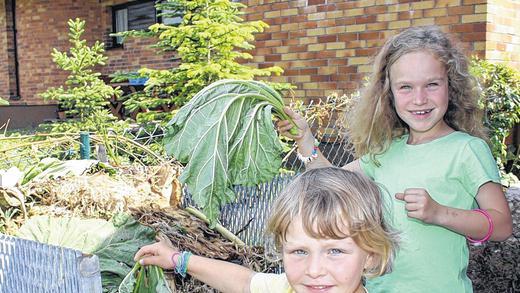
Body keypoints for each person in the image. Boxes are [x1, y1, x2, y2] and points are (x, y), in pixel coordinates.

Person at [278, 25, 513, 292]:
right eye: (405, 87)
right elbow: (333, 184)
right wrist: (305, 139)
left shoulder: (466, 149)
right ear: (388, 93)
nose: (419, 98)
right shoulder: (387, 150)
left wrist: (439, 213)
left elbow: (502, 226)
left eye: (432, 84)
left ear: (452, 86)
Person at [135, 167, 398, 293]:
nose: (314, 270)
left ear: (371, 256)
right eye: (299, 251)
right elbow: (243, 281)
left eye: (336, 251)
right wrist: (177, 259)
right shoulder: (288, 288)